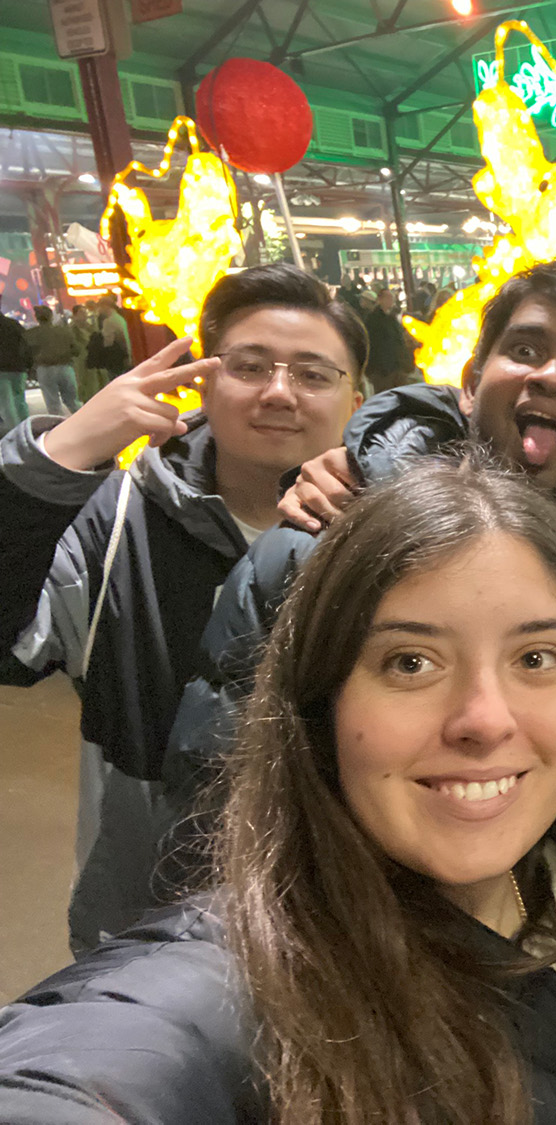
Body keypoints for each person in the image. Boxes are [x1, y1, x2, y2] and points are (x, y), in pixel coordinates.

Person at [0, 457, 556, 1125]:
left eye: (536, 658)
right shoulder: (238, 989)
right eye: (411, 662)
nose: (485, 719)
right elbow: (102, 1064)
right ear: (322, 703)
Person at [161, 260, 556, 888]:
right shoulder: (324, 542)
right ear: (469, 382)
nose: (551, 376)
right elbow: (219, 790)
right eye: (525, 349)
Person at [0, 263, 365, 952]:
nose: (279, 392)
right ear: (203, 382)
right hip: (154, 926)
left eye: (314, 374)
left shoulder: (394, 530)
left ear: (357, 399)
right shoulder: (122, 519)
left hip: (355, 921)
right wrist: (60, 453)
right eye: (249, 365)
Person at [26, 305, 80, 416]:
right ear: (51, 316)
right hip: (65, 367)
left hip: (44, 369)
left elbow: (26, 353)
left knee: (53, 404)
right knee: (73, 401)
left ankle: (58, 426)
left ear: (37, 318)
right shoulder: (64, 331)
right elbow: (76, 350)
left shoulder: (31, 334)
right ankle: (83, 420)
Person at [363, 286, 414, 394]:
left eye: (391, 298)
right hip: (382, 369)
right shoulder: (373, 319)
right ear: (380, 299)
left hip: (396, 366)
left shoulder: (392, 317)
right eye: (387, 297)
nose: (390, 301)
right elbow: (371, 343)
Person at [91, 291, 131, 379]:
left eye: (100, 307)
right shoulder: (120, 318)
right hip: (125, 356)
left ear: (105, 306)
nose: (99, 310)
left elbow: (107, 343)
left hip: (114, 360)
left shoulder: (108, 322)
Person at [0, 310, 29, 430]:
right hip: (18, 368)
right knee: (20, 400)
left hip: (2, 369)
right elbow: (26, 343)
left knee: (6, 404)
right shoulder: (13, 324)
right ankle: (26, 428)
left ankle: (14, 432)